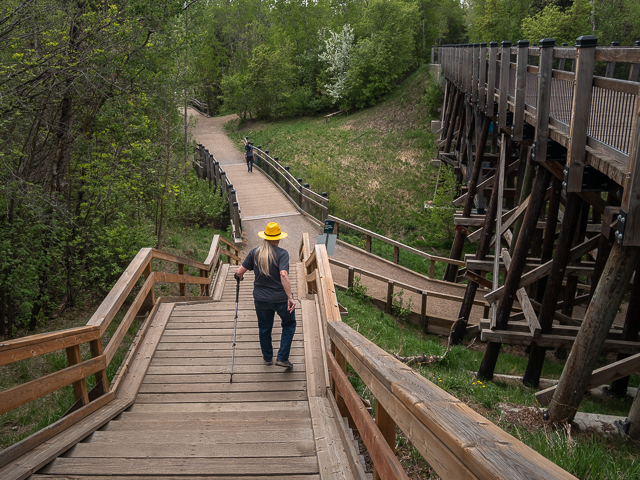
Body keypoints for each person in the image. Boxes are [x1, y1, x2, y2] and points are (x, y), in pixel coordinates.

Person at [234, 222, 296, 368]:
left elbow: (239, 272)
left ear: (265, 237)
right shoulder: (282, 254)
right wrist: (290, 297)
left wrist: (239, 277)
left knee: (264, 327)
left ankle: (268, 357)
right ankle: (282, 357)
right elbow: (284, 275)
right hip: (280, 299)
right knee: (289, 325)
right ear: (278, 238)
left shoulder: (254, 253)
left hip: (261, 299)